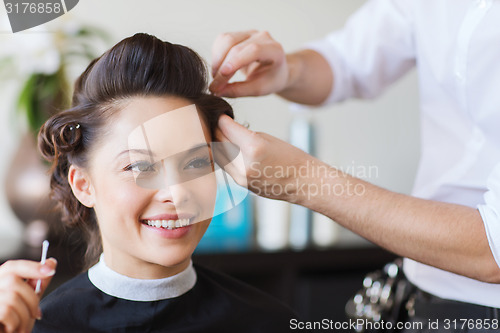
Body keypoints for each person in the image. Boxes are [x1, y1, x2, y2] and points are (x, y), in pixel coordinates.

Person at [209, 0, 500, 330]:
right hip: (424, 292)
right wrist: (289, 70)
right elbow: (348, 61)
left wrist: (302, 180)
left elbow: (494, 250)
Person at [0, 33, 296, 333]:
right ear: (84, 184)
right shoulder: (36, 327)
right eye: (141, 166)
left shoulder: (268, 322)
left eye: (195, 163)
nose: (177, 193)